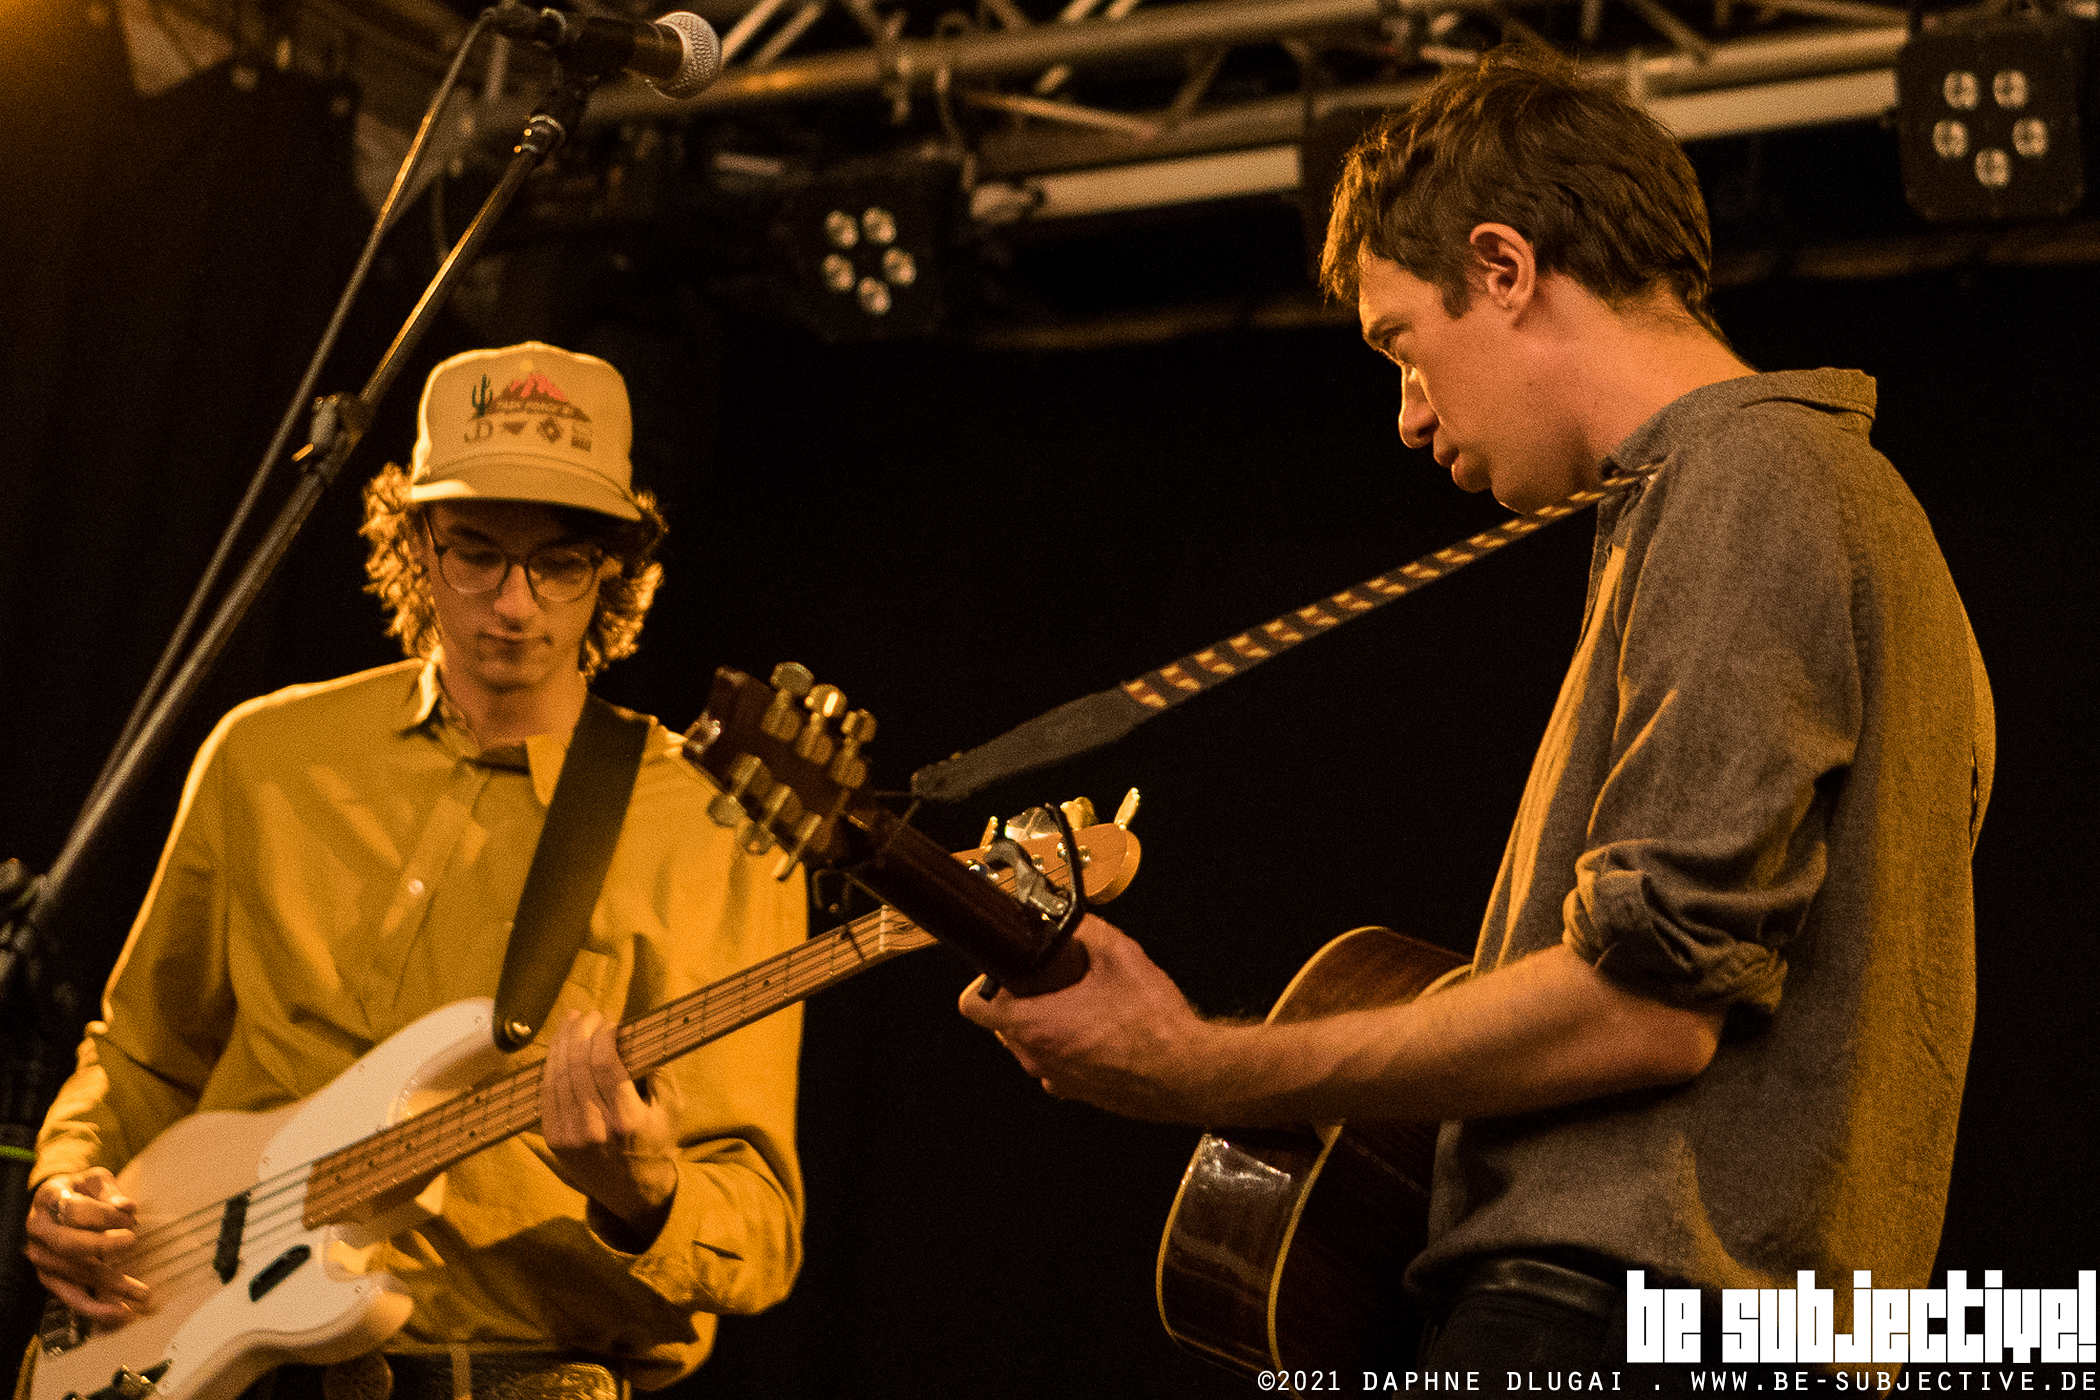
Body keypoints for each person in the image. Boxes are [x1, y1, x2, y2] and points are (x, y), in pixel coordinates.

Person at [961, 47, 1994, 1383]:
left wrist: (1196, 1065)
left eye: (1402, 346)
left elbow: (1647, 1007)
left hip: (1612, 1316)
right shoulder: (1800, 509)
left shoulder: (1755, 475)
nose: (1406, 416)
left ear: (1503, 268)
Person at [19, 342, 807, 1400]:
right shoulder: (265, 754)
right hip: (192, 1362)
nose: (514, 603)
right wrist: (70, 1175)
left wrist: (644, 1188)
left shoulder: (715, 828)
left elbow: (760, 1230)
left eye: (560, 563)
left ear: (615, 569)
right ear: (414, 542)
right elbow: (144, 1055)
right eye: (475, 552)